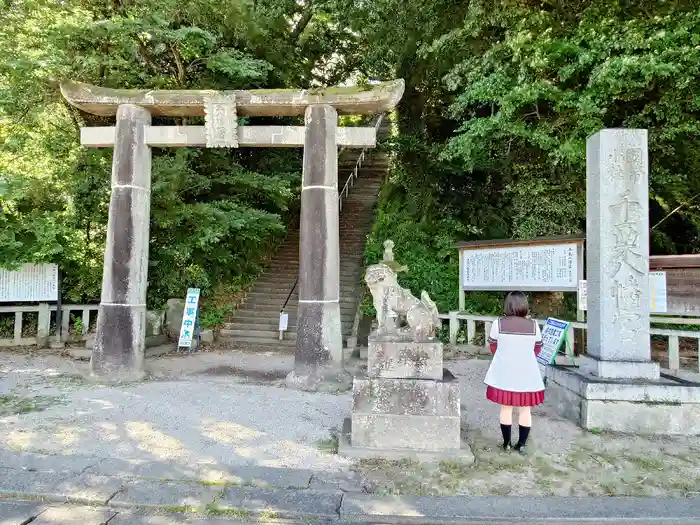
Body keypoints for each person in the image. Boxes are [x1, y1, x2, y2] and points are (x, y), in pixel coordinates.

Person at [483, 291, 545, 455]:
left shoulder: (498, 324)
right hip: (527, 374)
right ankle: (522, 444)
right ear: (524, 305)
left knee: (506, 409)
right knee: (525, 410)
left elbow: (493, 347)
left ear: (507, 305)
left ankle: (507, 443)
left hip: (505, 373)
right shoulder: (533, 325)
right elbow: (537, 349)